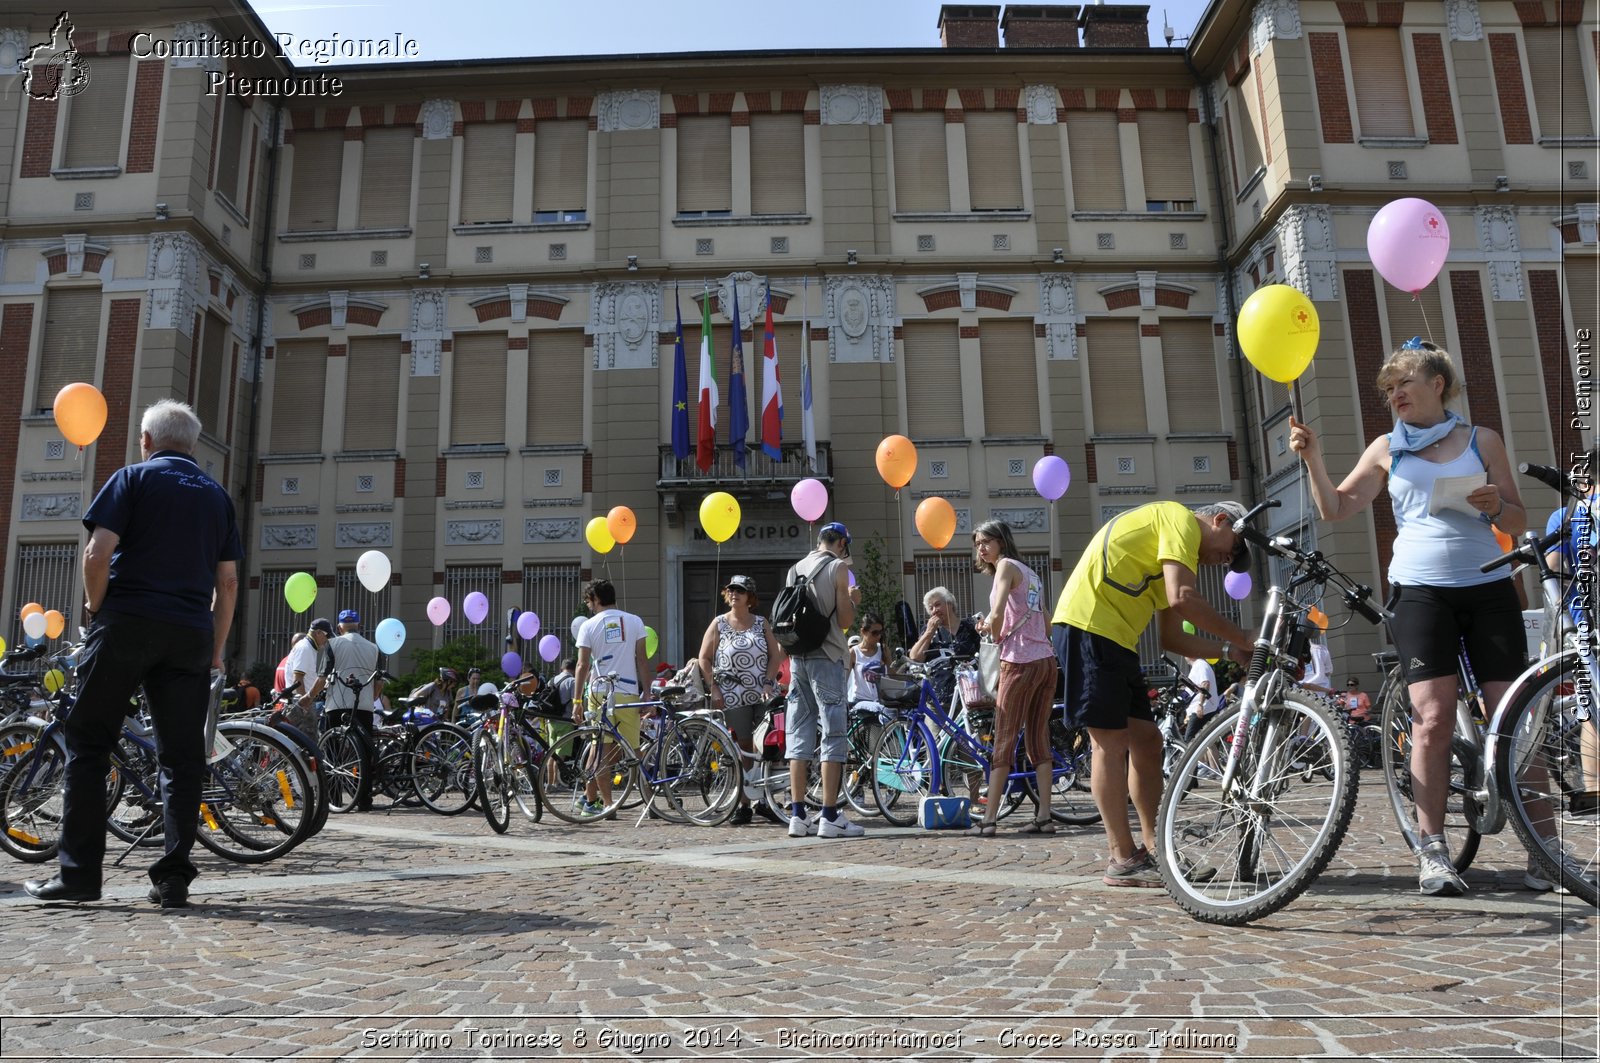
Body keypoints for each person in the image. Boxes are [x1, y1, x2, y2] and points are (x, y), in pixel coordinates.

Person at [1289, 336, 1534, 895]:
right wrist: (1313, 458)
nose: (1395, 394)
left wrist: (1498, 506)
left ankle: (1543, 847)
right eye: (1389, 388)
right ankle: (1433, 850)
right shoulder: (1386, 448)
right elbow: (1336, 508)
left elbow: (1519, 522)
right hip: (1421, 591)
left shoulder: (1482, 438)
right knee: (1432, 718)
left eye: (1405, 383)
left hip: (1491, 585)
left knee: (1514, 716)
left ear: (1437, 385)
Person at [25, 400, 242, 910]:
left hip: (126, 621)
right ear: (191, 445)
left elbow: (97, 555)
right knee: (183, 757)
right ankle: (172, 879)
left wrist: (95, 607)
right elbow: (228, 583)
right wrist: (214, 648)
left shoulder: (132, 478)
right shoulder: (217, 497)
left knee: (88, 742)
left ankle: (79, 877)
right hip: (189, 631)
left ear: (146, 440)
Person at [1051, 500, 1255, 888]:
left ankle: (1155, 847)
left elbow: (1172, 638)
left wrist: (1230, 651)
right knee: (1108, 743)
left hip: (1116, 640)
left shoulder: (1172, 555)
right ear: (1220, 520)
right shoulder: (1179, 520)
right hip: (1088, 626)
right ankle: (1122, 857)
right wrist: (1241, 635)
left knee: (1148, 740)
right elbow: (1184, 598)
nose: (1224, 560)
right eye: (1230, 549)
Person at [967, 521, 1058, 837]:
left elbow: (995, 617)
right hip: (1046, 661)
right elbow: (1046, 623)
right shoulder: (1030, 573)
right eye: (978, 542)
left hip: (1018, 663)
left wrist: (987, 628)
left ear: (1001, 541)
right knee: (1037, 739)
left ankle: (989, 819)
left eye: (986, 541)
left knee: (1003, 739)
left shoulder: (1005, 566)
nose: (981, 548)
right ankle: (1044, 816)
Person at [783, 522, 862, 838]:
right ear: (842, 543)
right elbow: (844, 620)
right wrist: (852, 599)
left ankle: (798, 814)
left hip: (798, 657)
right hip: (828, 656)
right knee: (833, 733)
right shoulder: (838, 568)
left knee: (799, 732)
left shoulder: (796, 568)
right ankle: (829, 814)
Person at [697, 574, 784, 825]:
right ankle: (744, 804)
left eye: (740, 590)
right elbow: (704, 658)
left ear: (750, 597)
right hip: (733, 696)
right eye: (732, 590)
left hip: (763, 694)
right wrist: (713, 688)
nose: (734, 594)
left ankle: (765, 800)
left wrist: (768, 682)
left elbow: (775, 657)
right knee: (744, 748)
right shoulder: (719, 624)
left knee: (768, 747)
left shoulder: (761, 623)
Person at [1542, 444, 1599, 817]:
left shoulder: (1565, 516)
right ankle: (1593, 792)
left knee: (1591, 712)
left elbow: (1551, 569)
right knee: (1591, 712)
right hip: (1588, 623)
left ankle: (1594, 795)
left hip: (1583, 623)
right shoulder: (1573, 516)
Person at [573, 579, 649, 812]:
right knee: (634, 750)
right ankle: (649, 800)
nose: (589, 606)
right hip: (628, 692)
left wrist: (577, 701)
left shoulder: (588, 625)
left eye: (589, 602)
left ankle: (605, 803)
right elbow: (643, 660)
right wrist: (647, 692)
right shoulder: (635, 621)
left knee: (601, 750)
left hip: (598, 692)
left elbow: (582, 665)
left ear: (596, 599)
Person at [325, 610, 383, 810]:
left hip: (337, 704)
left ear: (339, 626)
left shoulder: (332, 644)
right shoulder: (374, 648)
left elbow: (323, 675)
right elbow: (379, 682)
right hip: (364, 705)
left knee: (333, 752)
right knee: (365, 753)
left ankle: (334, 798)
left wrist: (308, 697)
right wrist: (372, 697)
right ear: (359, 625)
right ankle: (365, 800)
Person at [282, 619, 333, 737]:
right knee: (308, 742)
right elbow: (298, 679)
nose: (327, 640)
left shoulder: (308, 647)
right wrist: (306, 704)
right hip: (301, 702)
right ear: (318, 633)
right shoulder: (305, 648)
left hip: (302, 701)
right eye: (327, 636)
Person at [1182, 654, 1223, 743]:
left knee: (1190, 742)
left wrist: (1200, 704)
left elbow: (1205, 684)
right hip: (1204, 708)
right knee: (1207, 742)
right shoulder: (1198, 665)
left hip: (1202, 709)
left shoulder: (1199, 664)